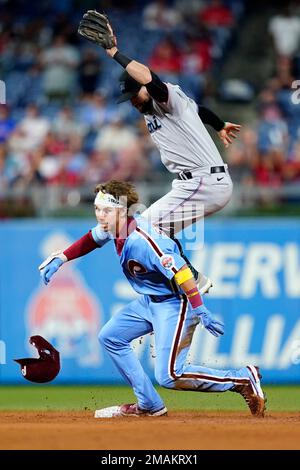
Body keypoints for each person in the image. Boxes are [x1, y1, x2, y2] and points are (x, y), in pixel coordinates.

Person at [39, 180, 266, 418]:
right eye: (97, 209)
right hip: (150, 302)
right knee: (110, 337)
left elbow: (182, 271)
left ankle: (241, 378)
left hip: (175, 303)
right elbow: (91, 240)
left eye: (106, 210)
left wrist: (200, 309)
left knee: (170, 375)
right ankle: (149, 404)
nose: (100, 215)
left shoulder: (143, 241)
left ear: (122, 211)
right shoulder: (114, 228)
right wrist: (62, 257)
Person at [77, 11, 242, 295]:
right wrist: (219, 124)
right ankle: (184, 281)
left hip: (203, 182)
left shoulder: (164, 98)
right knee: (149, 229)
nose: (132, 103)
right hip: (193, 183)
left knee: (145, 228)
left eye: (134, 95)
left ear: (144, 89)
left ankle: (189, 279)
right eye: (127, 100)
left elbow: (149, 78)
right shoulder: (155, 108)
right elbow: (197, 110)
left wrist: (114, 52)